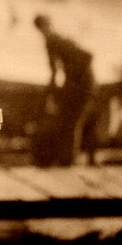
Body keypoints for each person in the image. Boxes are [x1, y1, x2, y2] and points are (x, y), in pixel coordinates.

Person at [32, 14, 96, 166]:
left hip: (82, 83)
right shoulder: (57, 39)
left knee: (71, 122)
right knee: (70, 122)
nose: (44, 31)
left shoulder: (54, 40)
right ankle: (68, 159)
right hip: (82, 82)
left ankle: (68, 161)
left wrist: (52, 90)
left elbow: (86, 56)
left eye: (44, 27)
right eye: (43, 28)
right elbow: (56, 69)